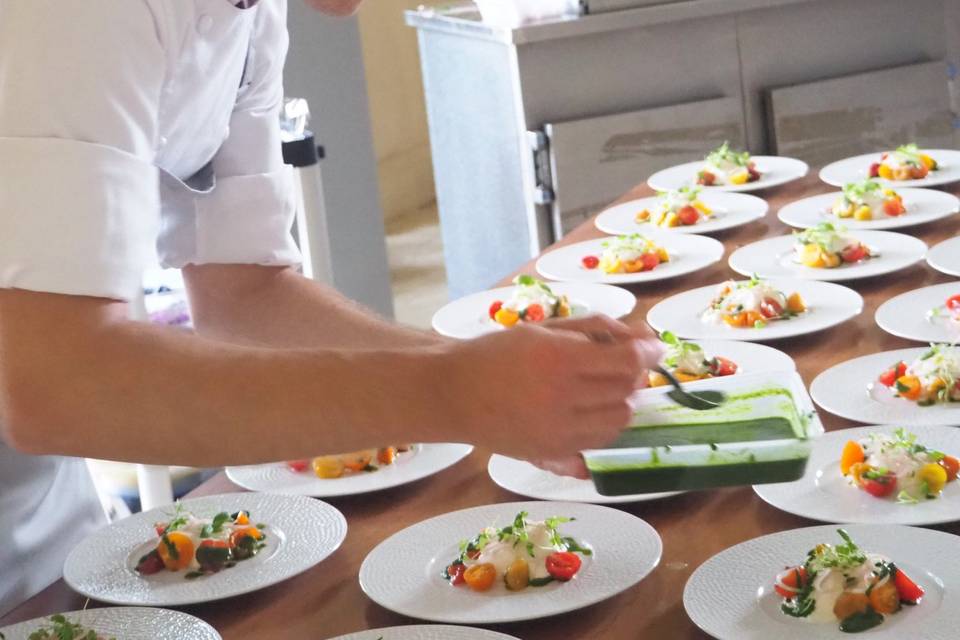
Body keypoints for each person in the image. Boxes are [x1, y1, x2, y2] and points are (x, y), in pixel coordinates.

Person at [0, 0, 662, 614]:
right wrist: (454, 393)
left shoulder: (252, 16)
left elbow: (243, 295)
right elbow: (53, 387)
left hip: (42, 531)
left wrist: (487, 373)